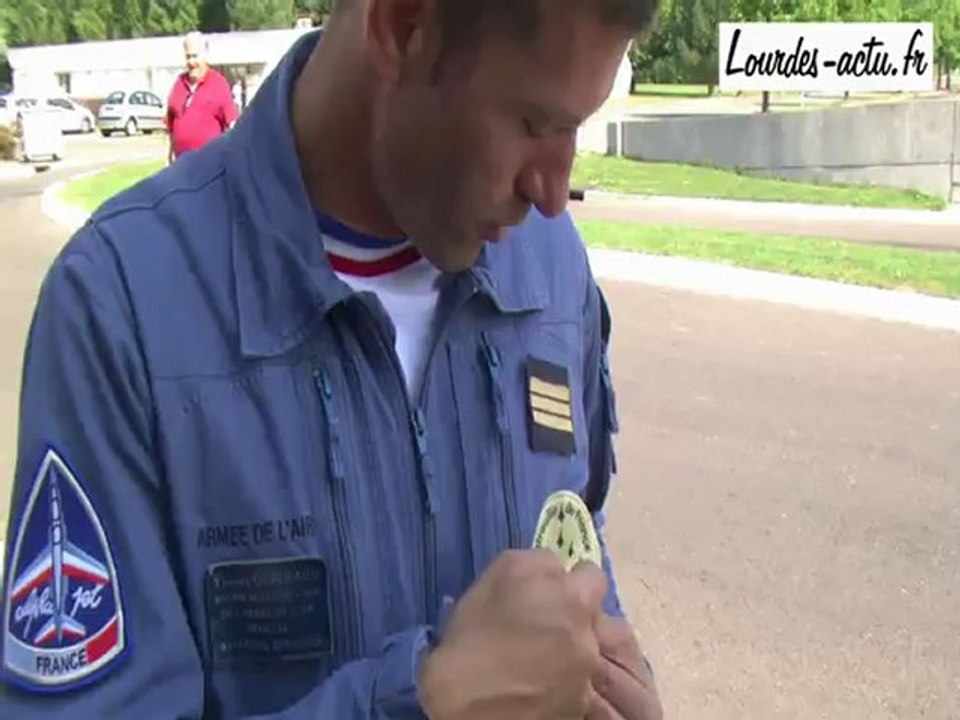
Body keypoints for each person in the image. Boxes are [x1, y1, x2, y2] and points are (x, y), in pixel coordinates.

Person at [0, 0, 663, 718]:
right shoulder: (123, 304)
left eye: (576, 126)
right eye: (534, 123)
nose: (554, 194)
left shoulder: (554, 271)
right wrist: (426, 702)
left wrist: (610, 681)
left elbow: (576, 539)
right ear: (402, 27)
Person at [165, 31, 239, 163]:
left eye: (195, 56)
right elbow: (170, 126)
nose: (191, 62)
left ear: (205, 55)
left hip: (210, 165)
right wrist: (168, 155)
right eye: (188, 56)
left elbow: (233, 125)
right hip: (181, 165)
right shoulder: (179, 83)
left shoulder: (218, 83)